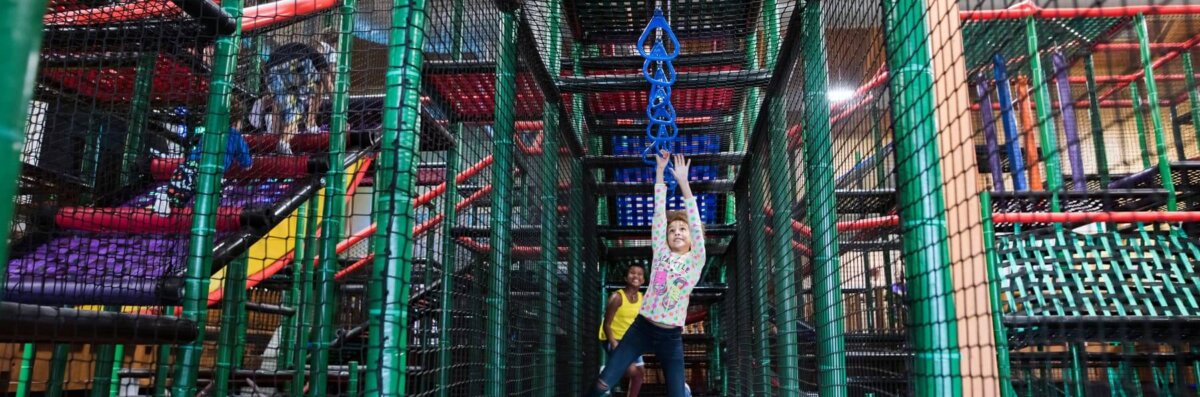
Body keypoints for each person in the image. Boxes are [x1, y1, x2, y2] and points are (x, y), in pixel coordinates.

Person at [585, 150, 706, 397]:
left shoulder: (695, 260)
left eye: (682, 229)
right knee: (602, 384)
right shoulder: (661, 252)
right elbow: (659, 216)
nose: (677, 232)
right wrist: (660, 171)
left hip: (670, 337)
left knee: (677, 394)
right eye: (672, 230)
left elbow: (694, 222)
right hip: (642, 328)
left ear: (693, 237)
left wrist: (683, 183)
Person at [598, 264, 646, 397]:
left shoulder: (642, 298)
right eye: (632, 273)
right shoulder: (617, 297)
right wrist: (614, 343)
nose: (636, 276)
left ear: (643, 280)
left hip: (631, 340)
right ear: (625, 278)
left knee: (640, 373)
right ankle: (606, 373)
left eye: (639, 274)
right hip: (614, 337)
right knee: (631, 370)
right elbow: (606, 325)